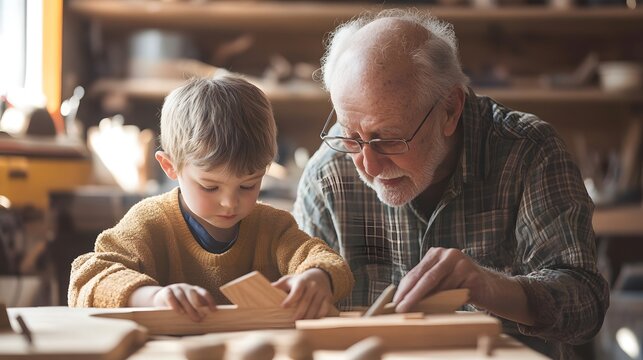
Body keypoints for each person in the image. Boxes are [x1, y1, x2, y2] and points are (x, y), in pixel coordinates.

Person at [293, 9, 609, 358]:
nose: (368, 165)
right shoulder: (328, 175)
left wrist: (492, 287)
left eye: (389, 139)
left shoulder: (528, 153)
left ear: (450, 110)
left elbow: (587, 307)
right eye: (351, 138)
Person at [69, 75, 354, 322]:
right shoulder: (149, 222)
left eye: (248, 186)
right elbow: (86, 279)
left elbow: (330, 262)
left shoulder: (273, 227)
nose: (230, 203)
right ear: (170, 167)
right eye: (210, 187)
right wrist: (152, 297)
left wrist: (318, 278)